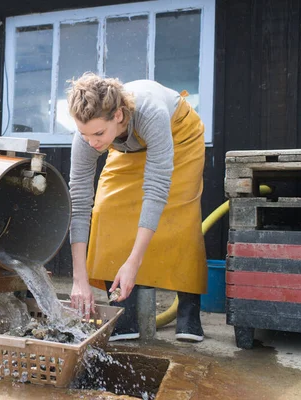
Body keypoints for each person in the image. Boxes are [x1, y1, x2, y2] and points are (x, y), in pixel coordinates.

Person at [66, 72, 207, 342]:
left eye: (97, 133)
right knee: (105, 210)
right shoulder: (88, 136)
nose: (92, 143)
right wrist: (78, 278)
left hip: (179, 137)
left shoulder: (150, 112)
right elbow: (80, 201)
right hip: (125, 146)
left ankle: (189, 309)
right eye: (85, 134)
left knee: (179, 215)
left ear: (118, 115)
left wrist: (134, 261)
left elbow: (156, 189)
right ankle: (122, 310)